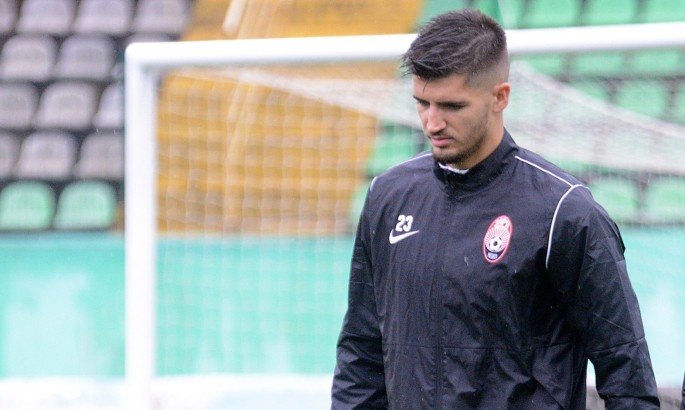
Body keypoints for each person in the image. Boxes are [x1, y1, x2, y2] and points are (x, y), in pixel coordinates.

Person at [331, 8, 660, 409]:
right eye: (422, 103)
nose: (432, 123)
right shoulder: (388, 195)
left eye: (451, 106)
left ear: (500, 97)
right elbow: (362, 351)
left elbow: (626, 368)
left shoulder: (563, 211)